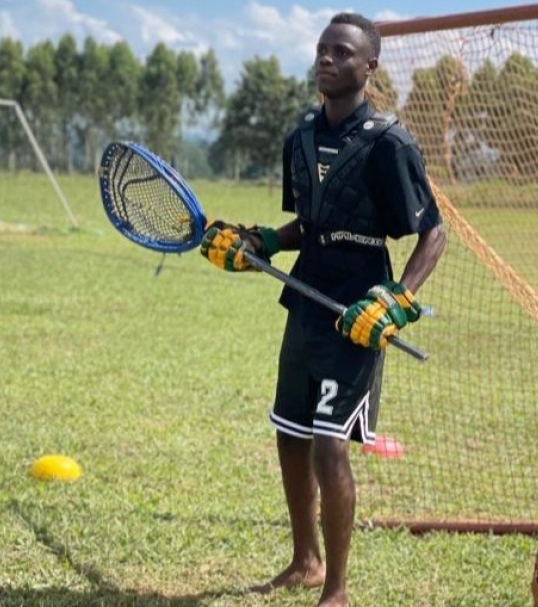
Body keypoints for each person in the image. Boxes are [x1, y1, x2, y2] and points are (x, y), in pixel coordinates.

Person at [200, 11, 446, 607]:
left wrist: (398, 299)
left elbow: (433, 233)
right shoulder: (302, 137)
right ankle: (304, 560)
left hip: (357, 312)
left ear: (369, 67)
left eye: (342, 52)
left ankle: (336, 589)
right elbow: (309, 227)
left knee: (330, 443)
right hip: (306, 300)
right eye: (322, 49)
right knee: (291, 434)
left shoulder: (390, 143)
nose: (327, 59)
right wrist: (260, 240)